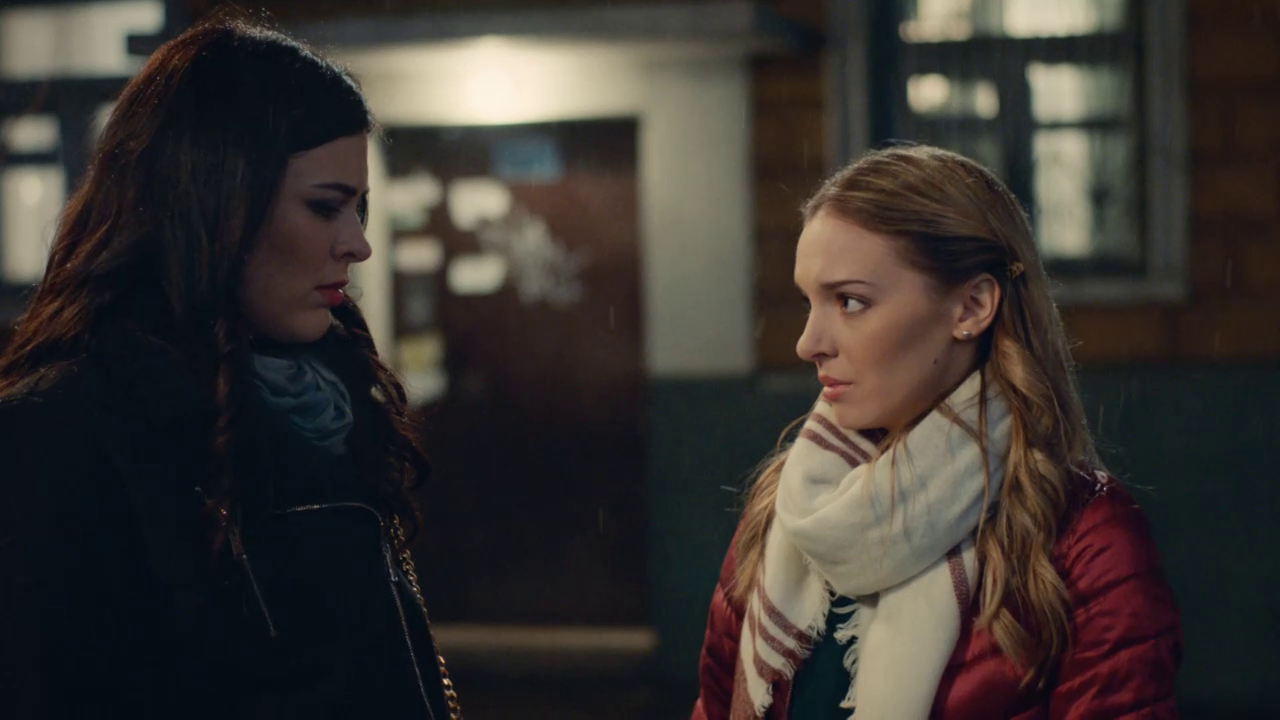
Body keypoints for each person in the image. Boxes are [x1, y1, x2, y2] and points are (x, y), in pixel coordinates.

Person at [0, 19, 461, 719]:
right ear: (217, 202)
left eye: (359, 208)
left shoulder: (332, 409)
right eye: (325, 207)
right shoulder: (61, 430)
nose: (357, 244)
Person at [690, 145, 1181, 719]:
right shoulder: (786, 507)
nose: (808, 343)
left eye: (850, 301)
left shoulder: (1083, 541)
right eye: (810, 302)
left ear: (971, 307)